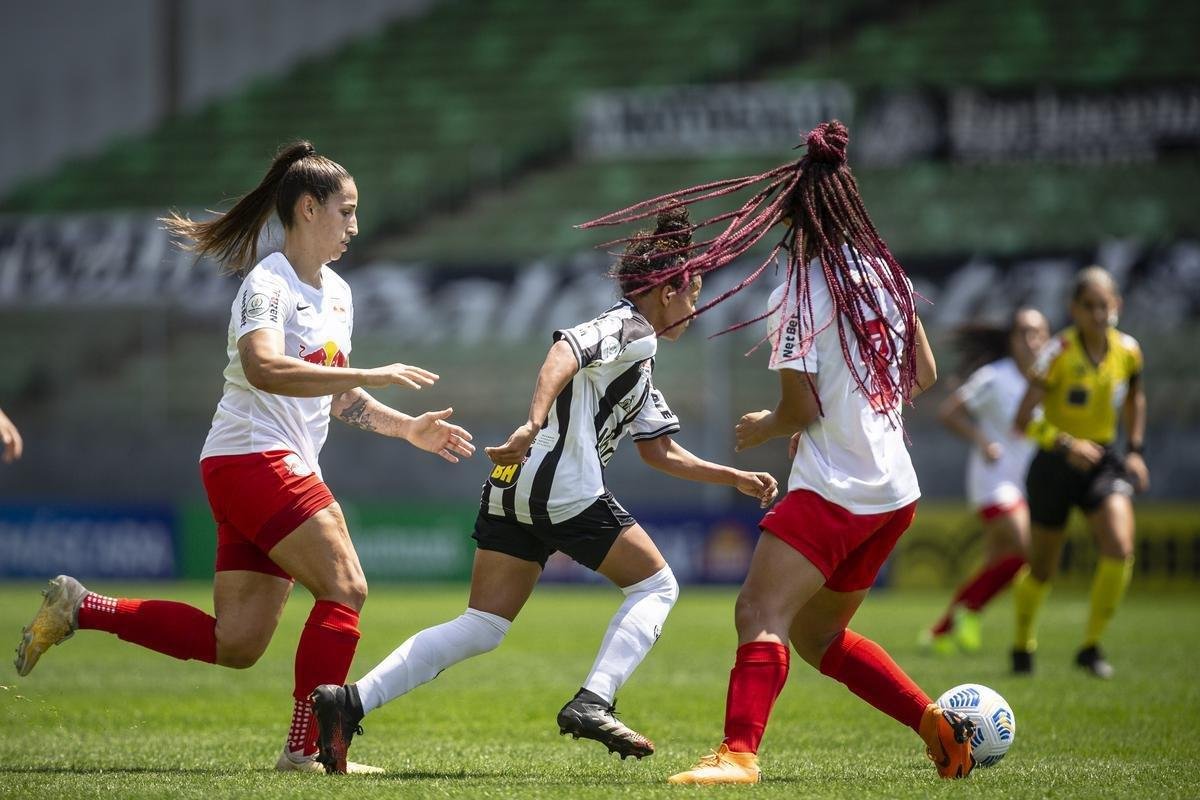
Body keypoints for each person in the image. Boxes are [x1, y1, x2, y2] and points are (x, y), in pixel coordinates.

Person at [12, 141, 476, 773]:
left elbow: (336, 392)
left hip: (259, 467)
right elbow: (263, 366)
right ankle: (306, 750)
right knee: (345, 588)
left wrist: (406, 429)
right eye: (347, 211)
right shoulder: (269, 282)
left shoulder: (337, 292)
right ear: (308, 209)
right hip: (255, 458)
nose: (355, 226)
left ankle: (81, 607)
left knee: (236, 643)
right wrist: (375, 371)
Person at [309, 205, 779, 774]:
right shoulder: (632, 329)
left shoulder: (636, 361)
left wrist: (733, 477)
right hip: (562, 488)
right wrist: (533, 423)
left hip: (513, 485)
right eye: (694, 291)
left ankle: (348, 702)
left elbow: (660, 449)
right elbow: (564, 350)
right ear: (666, 290)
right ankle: (594, 701)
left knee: (482, 624)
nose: (697, 307)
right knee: (656, 587)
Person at [582, 120, 977, 785]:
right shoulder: (884, 273)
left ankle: (738, 754)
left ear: (794, 218)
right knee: (818, 637)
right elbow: (923, 376)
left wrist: (766, 426)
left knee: (759, 612)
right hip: (895, 492)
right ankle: (935, 725)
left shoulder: (797, 290)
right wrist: (853, 408)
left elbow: (801, 409)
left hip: (837, 489)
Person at [1011, 266, 1147, 679]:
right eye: (1089, 306)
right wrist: (1067, 443)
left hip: (1102, 461)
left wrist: (1136, 450)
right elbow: (1023, 419)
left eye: (1104, 305)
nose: (1098, 313)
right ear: (1074, 309)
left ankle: (1090, 647)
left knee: (1120, 547)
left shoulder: (1128, 351)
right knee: (1043, 569)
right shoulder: (1058, 352)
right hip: (1055, 464)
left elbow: (1136, 400)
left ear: (1117, 306)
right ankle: (1022, 644)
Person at [919, 309, 1050, 654]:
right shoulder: (995, 376)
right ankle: (970, 612)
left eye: (1038, 333)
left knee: (995, 564)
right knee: (1024, 550)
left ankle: (939, 632)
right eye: (1024, 333)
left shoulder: (1050, 380)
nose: (1032, 341)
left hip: (1026, 482)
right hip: (993, 479)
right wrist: (981, 440)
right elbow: (949, 412)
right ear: (1011, 340)